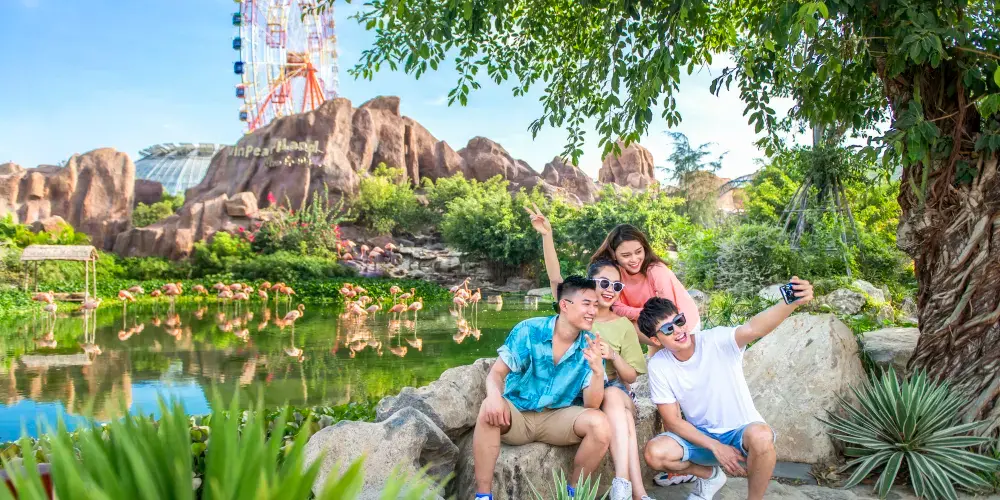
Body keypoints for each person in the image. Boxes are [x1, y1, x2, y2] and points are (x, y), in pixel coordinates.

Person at [637, 277, 815, 500]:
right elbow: (673, 421)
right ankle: (710, 476)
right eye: (667, 329)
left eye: (679, 321)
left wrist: (791, 302)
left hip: (741, 434)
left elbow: (753, 328)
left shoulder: (715, 340)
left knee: (761, 435)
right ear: (656, 340)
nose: (678, 330)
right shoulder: (659, 365)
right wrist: (715, 446)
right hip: (702, 439)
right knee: (655, 453)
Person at [526, 204, 654, 500]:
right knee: (619, 417)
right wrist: (547, 236)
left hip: (615, 390)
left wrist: (613, 356)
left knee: (612, 395)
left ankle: (622, 486)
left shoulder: (622, 325)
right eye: (603, 283)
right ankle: (635, 491)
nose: (610, 289)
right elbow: (555, 278)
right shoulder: (578, 312)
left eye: (616, 285)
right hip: (579, 392)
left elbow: (631, 377)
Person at [472, 276, 611, 500]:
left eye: (596, 305)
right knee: (488, 409)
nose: (593, 311)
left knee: (600, 425)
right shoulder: (529, 330)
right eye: (587, 304)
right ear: (564, 305)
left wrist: (596, 370)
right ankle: (483, 495)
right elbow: (496, 374)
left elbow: (592, 405)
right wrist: (494, 397)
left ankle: (573, 493)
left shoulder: (591, 345)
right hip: (518, 415)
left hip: (558, 418)